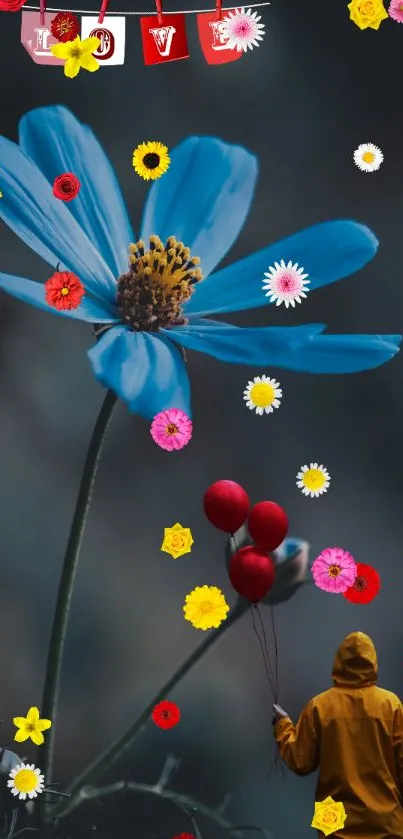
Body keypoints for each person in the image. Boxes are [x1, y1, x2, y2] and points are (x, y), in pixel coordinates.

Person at [272, 631, 403, 838]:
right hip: (384, 824)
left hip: (334, 825)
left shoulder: (320, 706)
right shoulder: (391, 704)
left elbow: (300, 762)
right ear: (373, 661)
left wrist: (283, 725)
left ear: (339, 662)